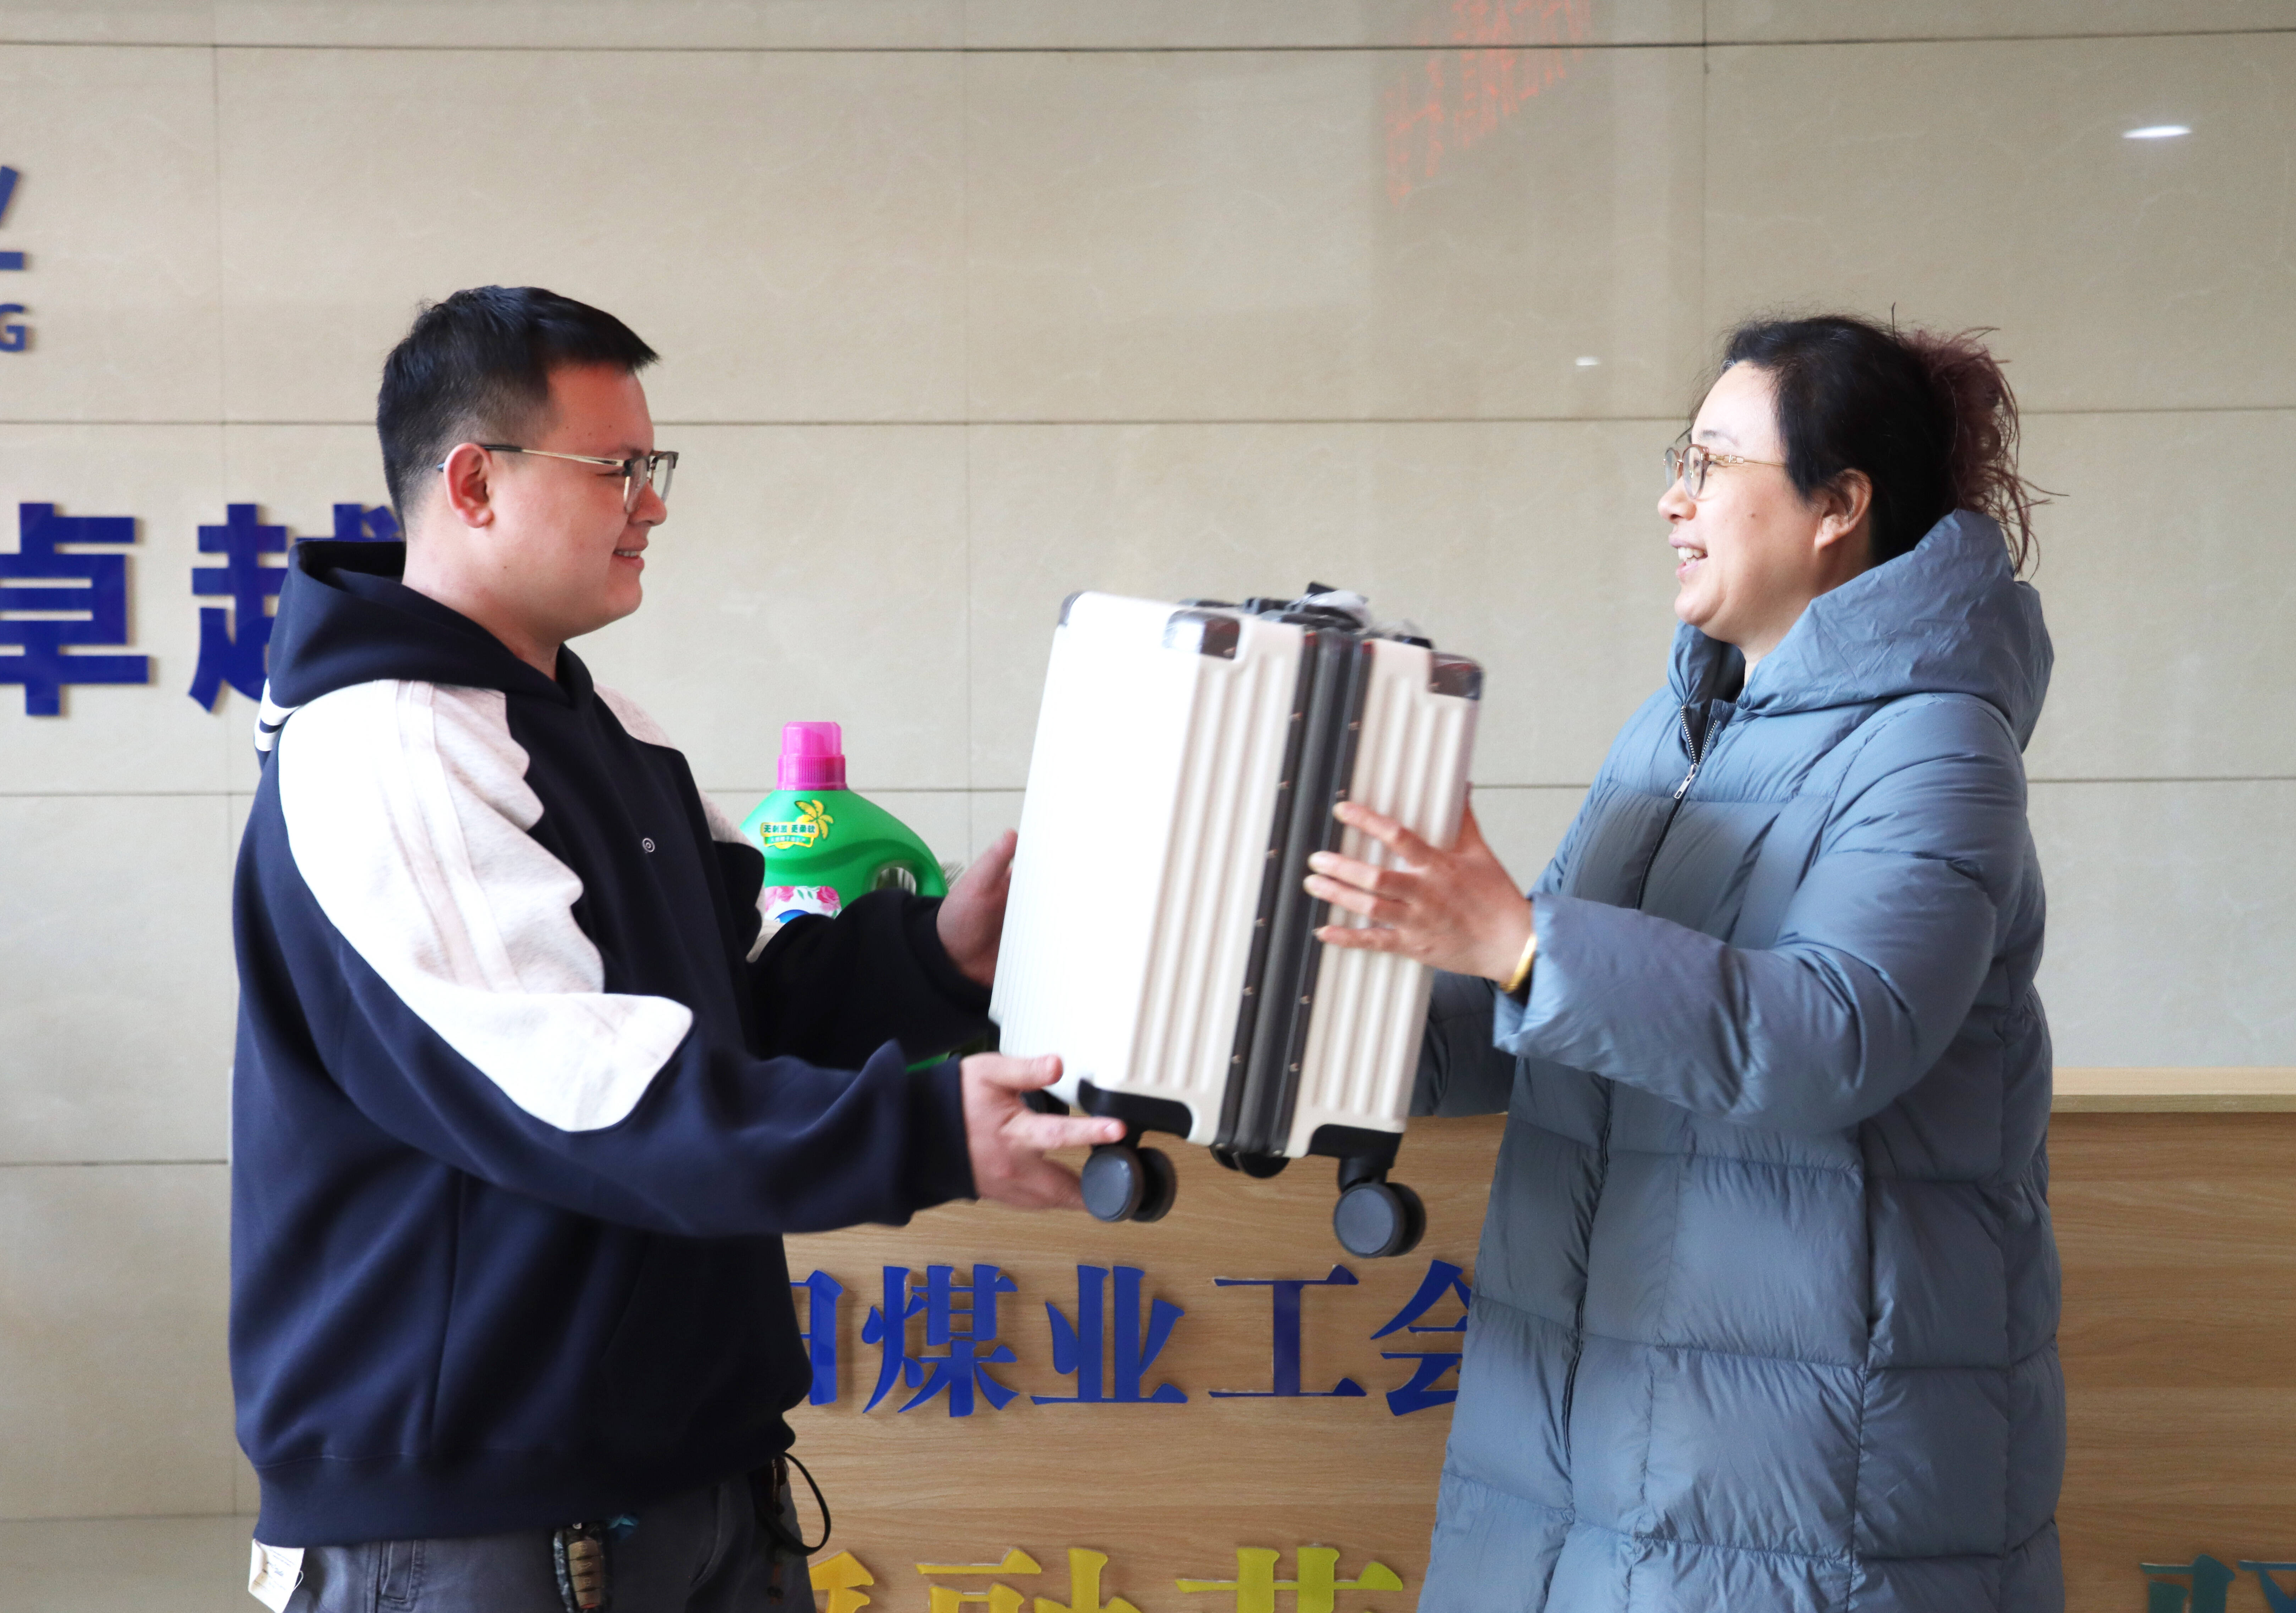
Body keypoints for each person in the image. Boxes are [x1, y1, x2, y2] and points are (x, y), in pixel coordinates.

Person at [228, 285, 1121, 1613]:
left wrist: (939, 956)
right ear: (474, 482)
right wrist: (924, 1131)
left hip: (699, 1475)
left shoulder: (612, 732)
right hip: (487, 1528)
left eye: (657, 466)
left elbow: (730, 1026)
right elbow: (581, 1085)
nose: (651, 505)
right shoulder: (390, 748)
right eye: (617, 469)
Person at [1305, 315, 2059, 1609]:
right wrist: (1329, 1007)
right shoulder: (1675, 731)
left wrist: (1518, 940)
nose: (1674, 498)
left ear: (1838, 506)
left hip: (1798, 1485)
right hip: (1587, 1442)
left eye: (1712, 463)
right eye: (1681, 459)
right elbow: (1562, 1021)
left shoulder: (1937, 746)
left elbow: (1833, 1036)